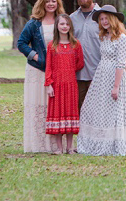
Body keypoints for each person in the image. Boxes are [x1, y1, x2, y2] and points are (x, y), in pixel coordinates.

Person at [75, 5, 126, 156]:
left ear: (113, 19)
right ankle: (96, 141)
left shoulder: (121, 38)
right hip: (102, 75)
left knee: (113, 111)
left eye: (106, 18)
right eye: (101, 19)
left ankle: (113, 144)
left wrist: (116, 87)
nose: (104, 21)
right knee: (92, 108)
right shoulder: (104, 36)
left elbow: (121, 63)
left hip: (115, 77)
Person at [16, 0, 64, 153]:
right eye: (47, 1)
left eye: (53, 1)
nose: (50, 4)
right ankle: (37, 144)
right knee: (38, 105)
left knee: (54, 107)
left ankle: (55, 145)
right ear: (42, 3)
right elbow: (21, 43)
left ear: (57, 3)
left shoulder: (62, 21)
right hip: (36, 71)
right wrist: (35, 56)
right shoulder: (34, 23)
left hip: (57, 71)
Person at [44, 13, 84, 154]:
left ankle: (70, 147)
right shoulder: (52, 46)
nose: (64, 26)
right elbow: (48, 66)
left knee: (70, 113)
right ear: (57, 26)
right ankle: (59, 148)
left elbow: (80, 63)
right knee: (58, 113)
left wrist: (68, 71)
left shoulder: (76, 44)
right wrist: (49, 84)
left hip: (71, 84)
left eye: (67, 24)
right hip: (57, 85)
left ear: (70, 26)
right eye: (62, 24)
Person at [69, 0, 102, 109]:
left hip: (98, 72)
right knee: (78, 109)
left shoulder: (102, 16)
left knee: (97, 110)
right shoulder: (71, 18)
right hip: (78, 74)